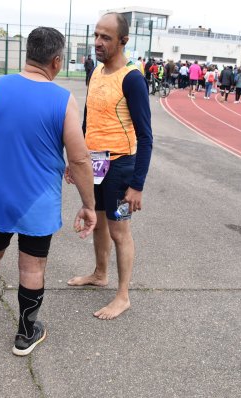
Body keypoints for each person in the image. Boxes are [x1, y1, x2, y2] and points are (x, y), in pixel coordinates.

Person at [0, 27, 96, 356]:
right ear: (57, 61)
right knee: (32, 268)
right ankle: (25, 333)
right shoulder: (63, 99)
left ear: (28, 54)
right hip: (38, 202)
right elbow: (78, 158)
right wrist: (88, 204)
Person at [66, 12, 153, 320]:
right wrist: (77, 161)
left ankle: (123, 295)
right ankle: (100, 274)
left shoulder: (132, 78)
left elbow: (146, 136)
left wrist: (137, 185)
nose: (98, 43)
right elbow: (90, 121)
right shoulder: (97, 72)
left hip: (121, 167)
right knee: (98, 222)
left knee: (120, 231)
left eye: (106, 37)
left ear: (123, 41)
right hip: (96, 165)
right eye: (96, 35)